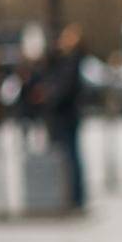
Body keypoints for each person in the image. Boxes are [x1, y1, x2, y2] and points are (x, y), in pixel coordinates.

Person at [43, 23, 88, 211]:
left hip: (66, 116)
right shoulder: (64, 60)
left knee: (71, 156)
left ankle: (75, 196)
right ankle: (70, 194)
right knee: (69, 156)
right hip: (65, 116)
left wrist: (50, 98)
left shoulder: (72, 61)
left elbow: (63, 90)